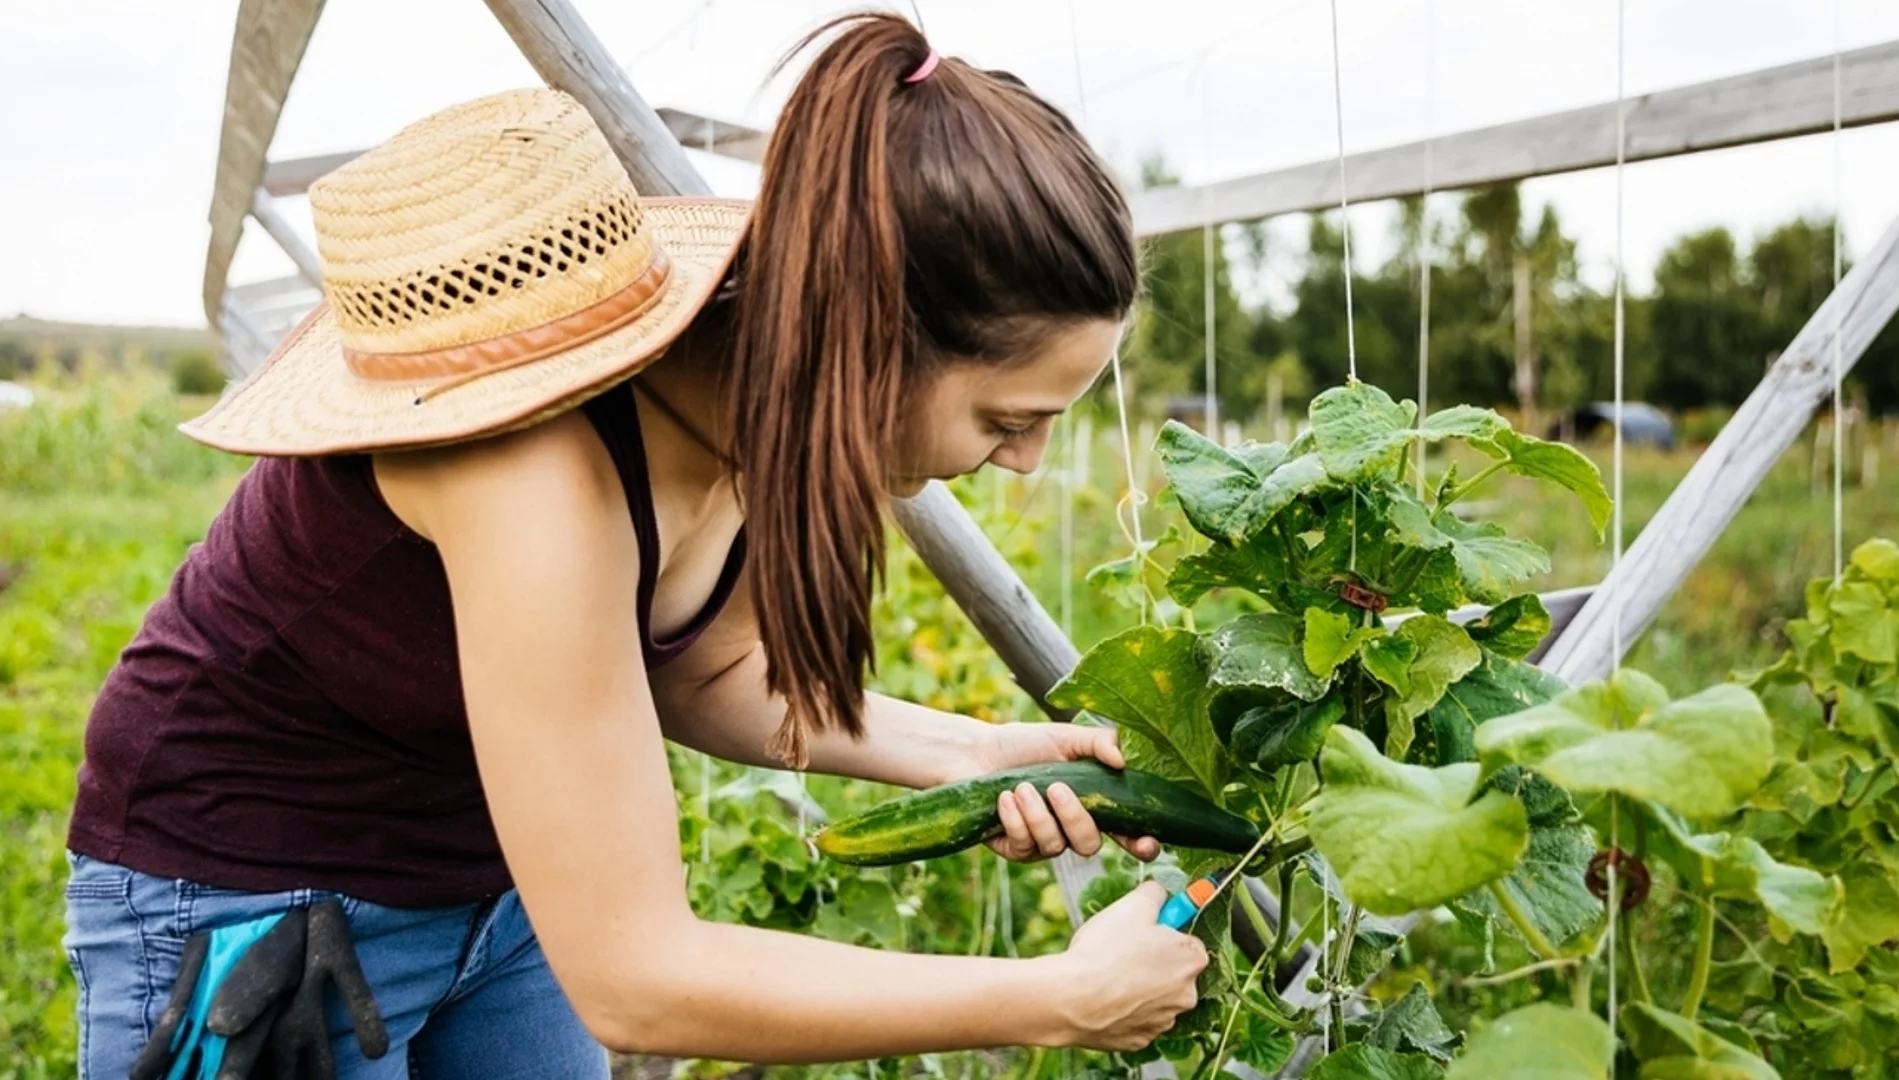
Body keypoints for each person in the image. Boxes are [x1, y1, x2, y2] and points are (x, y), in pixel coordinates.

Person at [62, 12, 1208, 1079]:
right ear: (868, 343)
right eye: (1008, 419)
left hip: (495, 894)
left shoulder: (748, 403)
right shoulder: (542, 475)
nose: (1025, 465)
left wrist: (975, 753)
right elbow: (638, 979)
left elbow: (707, 670)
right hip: (250, 900)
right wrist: (1055, 998)